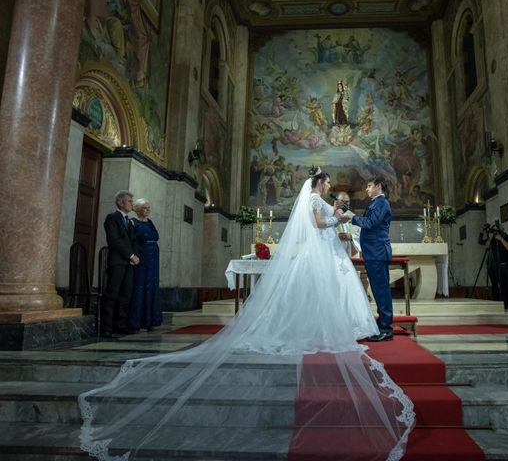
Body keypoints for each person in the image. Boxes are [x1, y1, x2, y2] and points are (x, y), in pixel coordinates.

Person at [79, 168, 414, 461]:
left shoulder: (342, 200)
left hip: (337, 251)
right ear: (320, 183)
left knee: (330, 292)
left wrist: (340, 216)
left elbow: (334, 220)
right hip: (325, 252)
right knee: (320, 293)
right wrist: (339, 217)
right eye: (326, 183)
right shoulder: (314, 200)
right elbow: (319, 222)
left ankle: (349, 324)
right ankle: (323, 326)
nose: (328, 187)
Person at [347, 177, 394, 342]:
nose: (366, 189)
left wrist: (352, 217)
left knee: (381, 290)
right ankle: (383, 325)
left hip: (377, 252)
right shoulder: (376, 203)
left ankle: (386, 329)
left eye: (369, 186)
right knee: (378, 290)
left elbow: (371, 223)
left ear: (378, 186)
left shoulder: (381, 203)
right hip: (374, 252)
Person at [101, 190, 139, 338]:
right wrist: (131, 255)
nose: (132, 204)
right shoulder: (112, 218)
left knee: (125, 294)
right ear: (120, 202)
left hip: (129, 263)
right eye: (129, 201)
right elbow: (114, 240)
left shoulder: (129, 221)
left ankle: (120, 325)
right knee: (112, 294)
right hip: (117, 262)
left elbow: (133, 241)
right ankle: (106, 328)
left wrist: (135, 256)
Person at [130, 198, 162, 332]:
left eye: (148, 208)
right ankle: (138, 321)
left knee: (152, 285)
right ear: (137, 209)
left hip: (153, 258)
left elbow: (155, 236)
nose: (147, 210)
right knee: (141, 285)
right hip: (142, 257)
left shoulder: (150, 222)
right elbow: (132, 240)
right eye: (145, 208)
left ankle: (150, 320)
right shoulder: (133, 222)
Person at [478, 220, 508, 308]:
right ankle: (503, 305)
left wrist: (501, 239)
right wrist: (491, 237)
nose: (496, 232)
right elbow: (486, 245)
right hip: (497, 266)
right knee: (500, 286)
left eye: (498, 230)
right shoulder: (494, 241)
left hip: (507, 265)